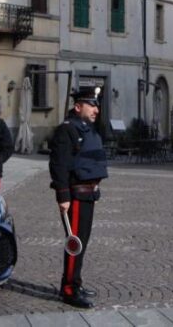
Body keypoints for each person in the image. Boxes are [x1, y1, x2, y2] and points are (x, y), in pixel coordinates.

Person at [49, 86, 108, 309]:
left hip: (89, 194)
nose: (96, 109)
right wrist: (62, 195)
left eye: (97, 105)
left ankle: (76, 281)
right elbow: (59, 164)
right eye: (91, 105)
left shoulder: (88, 129)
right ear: (78, 106)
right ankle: (69, 289)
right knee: (75, 243)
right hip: (75, 195)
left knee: (82, 242)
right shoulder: (67, 130)